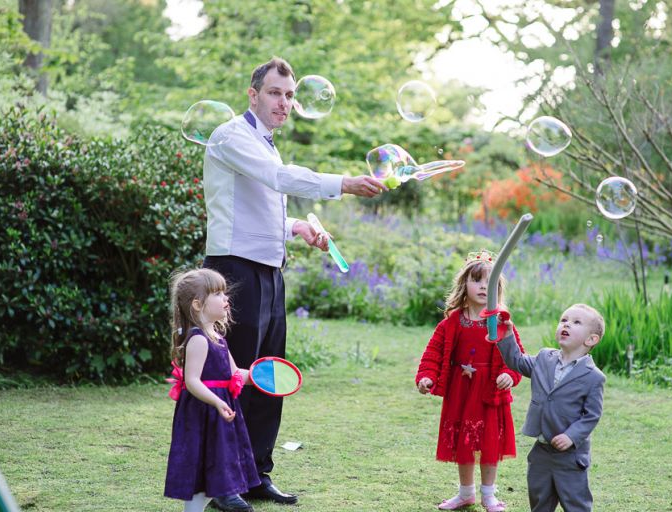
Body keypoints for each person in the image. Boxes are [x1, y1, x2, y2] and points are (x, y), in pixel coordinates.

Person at [201, 56, 387, 510]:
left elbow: (261, 206)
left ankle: (256, 475)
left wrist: (297, 228)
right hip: (232, 271)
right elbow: (278, 180)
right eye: (274, 93)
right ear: (253, 94)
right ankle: (223, 483)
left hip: (268, 270)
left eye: (288, 95)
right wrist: (341, 182)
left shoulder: (268, 143)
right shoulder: (230, 136)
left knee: (267, 374)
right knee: (231, 377)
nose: (284, 103)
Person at [416, 249, 526, 512]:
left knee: (488, 443)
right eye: (476, 280)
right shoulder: (452, 322)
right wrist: (426, 377)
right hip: (461, 392)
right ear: (464, 284)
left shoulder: (502, 323)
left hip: (489, 391)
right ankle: (466, 493)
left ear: (497, 289)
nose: (482, 287)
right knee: (463, 443)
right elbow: (432, 354)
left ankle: (489, 495)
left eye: (489, 282)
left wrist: (508, 375)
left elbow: (516, 357)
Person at [164, 268, 260, 512]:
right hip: (202, 414)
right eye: (218, 293)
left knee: (216, 467)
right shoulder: (198, 339)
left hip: (218, 415)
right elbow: (192, 381)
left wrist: (263, 378)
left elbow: (235, 374)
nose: (225, 298)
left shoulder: (217, 337)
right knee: (200, 467)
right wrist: (216, 402)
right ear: (198, 304)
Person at [495, 303, 606, 512]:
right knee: (539, 500)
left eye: (576, 322)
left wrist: (571, 436)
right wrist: (507, 334)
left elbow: (591, 416)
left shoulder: (593, 377)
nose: (567, 324)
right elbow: (516, 361)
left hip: (570, 456)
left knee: (576, 503)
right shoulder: (544, 358)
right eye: (564, 320)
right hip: (542, 450)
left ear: (591, 339)